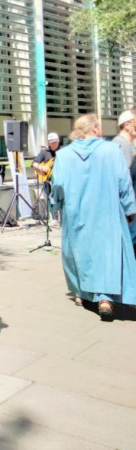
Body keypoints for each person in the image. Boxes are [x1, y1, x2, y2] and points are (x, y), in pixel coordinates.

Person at [51, 113, 136, 321]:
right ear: (96, 129)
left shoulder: (63, 155)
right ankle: (104, 297)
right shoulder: (111, 151)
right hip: (107, 212)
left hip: (76, 212)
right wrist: (129, 208)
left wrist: (56, 206)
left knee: (78, 252)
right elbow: (123, 182)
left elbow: (58, 186)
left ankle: (82, 293)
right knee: (107, 254)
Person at [32, 132, 61, 223]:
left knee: (60, 198)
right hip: (47, 179)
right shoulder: (44, 152)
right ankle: (54, 218)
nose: (55, 144)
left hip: (59, 179)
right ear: (49, 143)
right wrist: (42, 168)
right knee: (50, 198)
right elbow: (34, 163)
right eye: (52, 142)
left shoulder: (62, 152)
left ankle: (62, 218)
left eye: (56, 142)